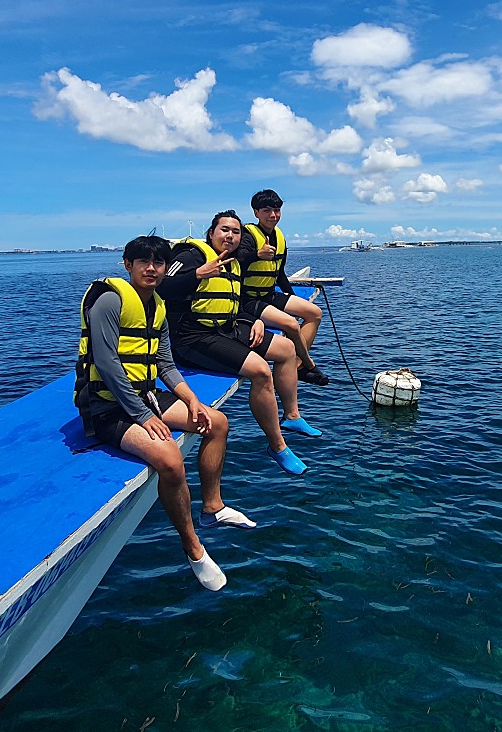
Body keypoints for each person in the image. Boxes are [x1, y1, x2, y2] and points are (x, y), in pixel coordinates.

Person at [76, 235, 256, 592]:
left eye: (158, 262)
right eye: (143, 262)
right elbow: (108, 364)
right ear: (127, 265)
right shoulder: (110, 301)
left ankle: (213, 508)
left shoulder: (157, 305)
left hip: (143, 395)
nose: (151, 269)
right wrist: (143, 417)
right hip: (106, 405)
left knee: (217, 422)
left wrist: (192, 401)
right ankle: (193, 548)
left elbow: (165, 364)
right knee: (170, 459)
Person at [159, 210, 322, 476]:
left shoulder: (233, 263)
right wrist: (198, 274)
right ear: (211, 233)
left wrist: (253, 320)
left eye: (236, 232)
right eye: (225, 230)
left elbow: (231, 303)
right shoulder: (192, 256)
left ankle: (292, 416)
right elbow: (161, 286)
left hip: (225, 329)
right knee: (260, 371)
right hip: (192, 338)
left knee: (286, 348)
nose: (231, 236)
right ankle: (277, 446)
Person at [235, 188, 329, 386]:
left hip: (269, 294)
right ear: (256, 213)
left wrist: (292, 296)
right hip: (248, 299)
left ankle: (296, 365)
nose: (273, 215)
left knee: (314, 312)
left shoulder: (279, 237)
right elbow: (237, 260)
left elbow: (280, 273)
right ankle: (308, 364)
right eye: (267, 210)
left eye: (277, 210)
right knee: (292, 325)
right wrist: (257, 255)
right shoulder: (248, 235)